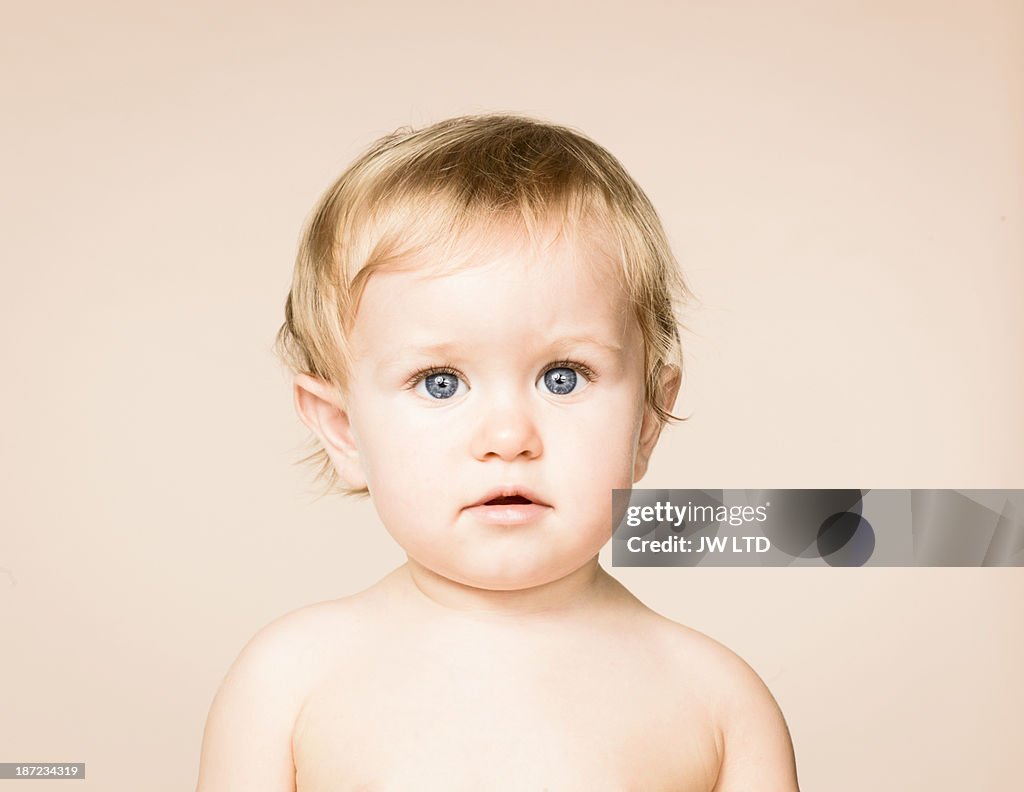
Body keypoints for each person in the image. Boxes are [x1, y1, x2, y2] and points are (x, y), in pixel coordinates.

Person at [195, 113, 800, 791]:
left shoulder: (717, 703)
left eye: (562, 377)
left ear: (647, 423)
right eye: (441, 383)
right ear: (342, 430)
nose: (509, 437)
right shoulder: (289, 683)